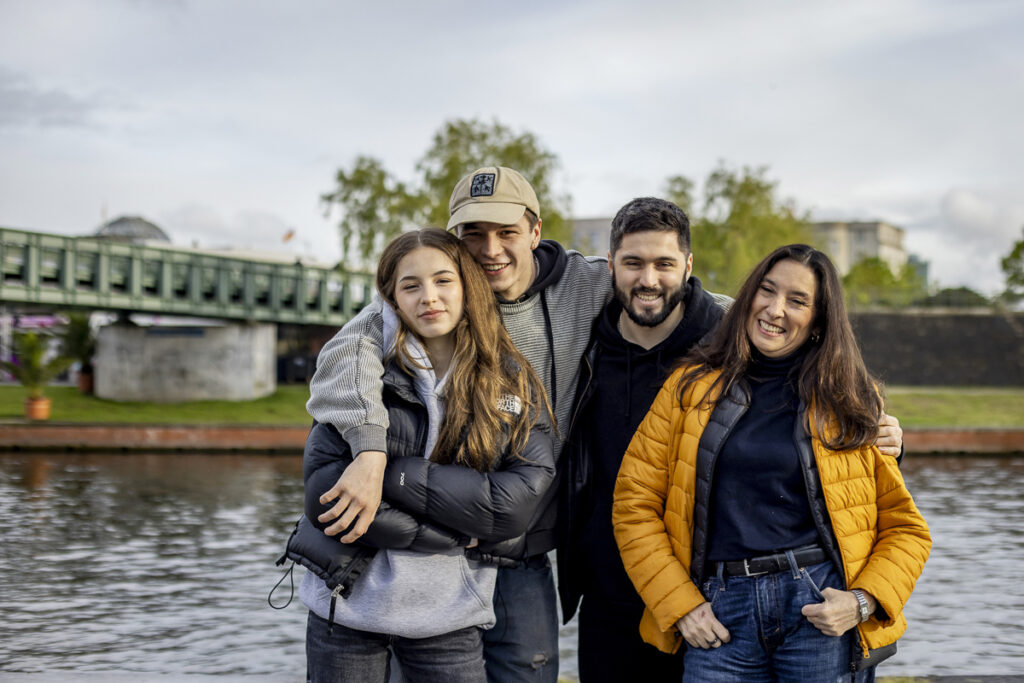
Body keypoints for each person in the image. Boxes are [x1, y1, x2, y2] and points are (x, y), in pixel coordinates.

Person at [306, 167, 610, 681]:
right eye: (473, 234)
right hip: (432, 566)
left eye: (507, 232)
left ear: (535, 233)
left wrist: (782, 325)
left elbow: (673, 294)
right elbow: (350, 344)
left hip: (524, 546)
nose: (490, 249)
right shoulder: (430, 296)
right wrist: (370, 448)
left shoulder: (584, 284)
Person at [611, 244, 931, 681]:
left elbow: (906, 528)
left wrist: (862, 601)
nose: (775, 309)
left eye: (797, 301)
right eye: (768, 290)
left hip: (819, 612)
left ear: (818, 320)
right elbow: (633, 505)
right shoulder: (688, 389)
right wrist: (679, 604)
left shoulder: (849, 399)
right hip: (722, 615)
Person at [288, 229, 556, 682]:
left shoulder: (507, 379)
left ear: (467, 285)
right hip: (348, 613)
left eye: (443, 281)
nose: (428, 297)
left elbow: (516, 501)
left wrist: (387, 474)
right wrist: (458, 530)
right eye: (410, 286)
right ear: (391, 299)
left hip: (450, 618)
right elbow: (326, 499)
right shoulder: (358, 376)